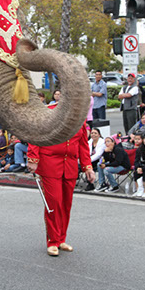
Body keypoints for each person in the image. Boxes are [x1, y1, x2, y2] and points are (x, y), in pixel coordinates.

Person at [27, 102, 94, 257]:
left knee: (66, 204)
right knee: (54, 202)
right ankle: (52, 241)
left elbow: (83, 144)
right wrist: (33, 158)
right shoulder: (48, 113)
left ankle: (61, 238)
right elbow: (35, 136)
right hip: (50, 163)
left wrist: (88, 166)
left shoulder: (79, 118)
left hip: (69, 165)